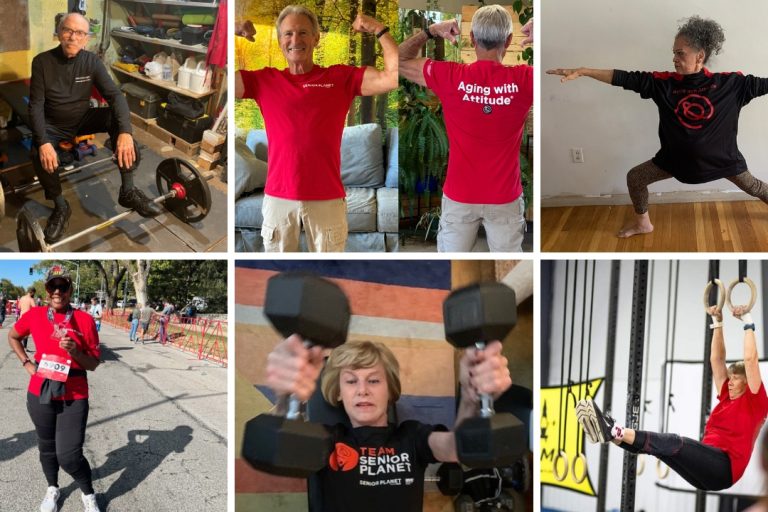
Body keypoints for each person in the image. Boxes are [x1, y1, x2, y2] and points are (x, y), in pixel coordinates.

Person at [547, 15, 768, 238]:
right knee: (636, 178)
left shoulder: (732, 84)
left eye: (680, 53)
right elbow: (624, 78)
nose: (674, 58)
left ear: (700, 56)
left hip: (724, 161)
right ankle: (643, 224)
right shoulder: (663, 83)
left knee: (756, 188)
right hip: (675, 162)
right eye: (673, 52)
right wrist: (585, 71)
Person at [265, 336, 512, 510]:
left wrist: (470, 395)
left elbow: (456, 448)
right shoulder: (326, 439)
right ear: (338, 392)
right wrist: (286, 397)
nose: (362, 391)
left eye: (373, 381)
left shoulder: (411, 436)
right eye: (351, 382)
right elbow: (280, 450)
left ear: (390, 390)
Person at [234, 6, 398, 252]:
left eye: (303, 32)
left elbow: (393, 77)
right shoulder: (264, 81)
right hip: (279, 199)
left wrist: (378, 29)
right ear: (280, 41)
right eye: (288, 34)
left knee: (328, 272)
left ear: (316, 38)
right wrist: (230, 32)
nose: (295, 40)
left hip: (327, 199)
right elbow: (223, 83)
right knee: (279, 275)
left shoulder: (340, 78)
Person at [576, 304, 768, 491]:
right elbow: (716, 360)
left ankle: (612, 429)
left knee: (674, 442)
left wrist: (748, 322)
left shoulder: (755, 401)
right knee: (659, 449)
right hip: (705, 471)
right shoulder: (727, 394)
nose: (730, 381)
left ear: (748, 382)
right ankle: (610, 435)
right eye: (730, 377)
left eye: (736, 378)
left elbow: (751, 360)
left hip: (724, 468)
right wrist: (717, 322)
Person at [399, 7, 534, 252]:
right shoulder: (525, 79)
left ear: (472, 39)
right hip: (505, 197)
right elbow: (563, 76)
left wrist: (430, 32)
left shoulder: (450, 76)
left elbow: (396, 59)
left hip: (460, 196)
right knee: (509, 269)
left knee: (450, 268)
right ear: (509, 40)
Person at [29, 12, 162, 244]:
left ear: (86, 38)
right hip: (54, 125)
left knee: (116, 119)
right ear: (59, 33)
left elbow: (115, 96)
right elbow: (36, 106)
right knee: (37, 152)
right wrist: (43, 143)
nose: (73, 37)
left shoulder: (91, 61)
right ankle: (61, 206)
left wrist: (125, 133)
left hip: (83, 119)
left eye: (79, 33)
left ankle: (128, 191)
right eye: (68, 30)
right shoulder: (42, 62)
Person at [7, 265, 101, 512]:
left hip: (74, 393)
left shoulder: (85, 320)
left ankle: (88, 494)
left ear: (70, 290)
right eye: (53, 286)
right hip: (40, 390)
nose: (57, 291)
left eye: (63, 286)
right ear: (46, 291)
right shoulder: (35, 315)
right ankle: (53, 488)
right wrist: (27, 362)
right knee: (46, 446)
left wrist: (75, 351)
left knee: (69, 455)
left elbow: (93, 364)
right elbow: (13, 336)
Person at [18, 286, 37, 351]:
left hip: (21, 317)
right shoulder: (31, 299)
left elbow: (19, 307)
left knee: (21, 332)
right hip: (28, 318)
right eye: (34, 293)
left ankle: (20, 346)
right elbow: (35, 309)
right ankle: (25, 347)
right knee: (26, 334)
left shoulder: (22, 298)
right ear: (32, 292)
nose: (34, 294)